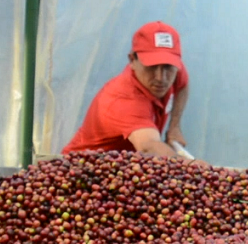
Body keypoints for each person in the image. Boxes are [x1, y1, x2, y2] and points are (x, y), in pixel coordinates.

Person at [62, 21, 205, 164]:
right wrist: (190, 166)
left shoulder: (174, 70)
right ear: (132, 60)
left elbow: (182, 85)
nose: (161, 77)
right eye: (152, 66)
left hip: (123, 169)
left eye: (167, 67)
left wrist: (174, 127)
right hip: (83, 169)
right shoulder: (123, 99)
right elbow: (148, 147)